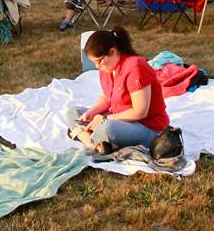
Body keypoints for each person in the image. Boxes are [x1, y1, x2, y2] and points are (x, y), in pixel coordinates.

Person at [66, 27, 170, 155]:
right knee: (73, 112)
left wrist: (105, 118)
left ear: (113, 52)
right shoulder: (107, 68)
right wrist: (91, 112)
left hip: (146, 126)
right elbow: (107, 97)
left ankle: (83, 136)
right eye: (94, 62)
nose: (97, 66)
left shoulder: (136, 67)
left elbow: (140, 112)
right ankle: (97, 145)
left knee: (108, 128)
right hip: (119, 117)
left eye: (99, 61)